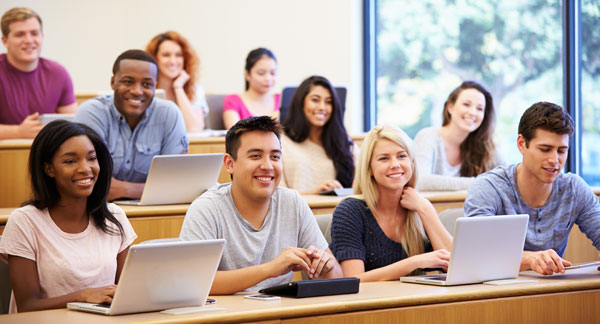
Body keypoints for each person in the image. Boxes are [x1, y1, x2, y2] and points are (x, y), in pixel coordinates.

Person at [179, 116, 342, 294]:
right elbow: (195, 282)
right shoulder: (206, 208)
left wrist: (328, 268)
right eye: (256, 156)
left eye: (275, 157)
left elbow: (337, 279)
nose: (267, 165)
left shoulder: (292, 202)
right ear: (229, 164)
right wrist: (270, 269)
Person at [0, 120, 137, 313]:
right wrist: (83, 296)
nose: (85, 168)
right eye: (70, 161)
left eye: (91, 158)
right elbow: (27, 305)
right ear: (49, 169)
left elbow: (127, 292)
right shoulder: (24, 221)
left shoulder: (114, 216)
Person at [465, 102, 600, 275]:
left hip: (548, 294)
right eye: (545, 149)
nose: (554, 160)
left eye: (561, 151)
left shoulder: (574, 188)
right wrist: (529, 259)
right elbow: (475, 254)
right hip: (497, 294)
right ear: (521, 144)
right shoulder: (488, 188)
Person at [330, 125, 453, 282]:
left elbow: (458, 266)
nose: (395, 164)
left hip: (411, 303)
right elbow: (353, 280)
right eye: (384, 158)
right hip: (368, 304)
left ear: (412, 163)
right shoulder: (349, 211)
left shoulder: (418, 209)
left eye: (402, 156)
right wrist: (415, 262)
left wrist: (426, 209)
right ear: (369, 169)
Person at [75, 49, 188, 201]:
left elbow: (178, 182)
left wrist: (123, 189)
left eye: (147, 84)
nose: (137, 91)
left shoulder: (169, 114)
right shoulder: (91, 112)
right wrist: (153, 188)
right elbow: (92, 183)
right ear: (113, 82)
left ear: (156, 86)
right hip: (97, 210)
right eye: (128, 82)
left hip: (153, 211)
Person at [0, 7, 76, 140]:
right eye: (20, 34)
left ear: (42, 36)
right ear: (5, 41)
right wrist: (17, 132)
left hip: (46, 155)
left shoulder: (58, 73)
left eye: (34, 33)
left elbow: (75, 123)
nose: (29, 40)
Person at [414, 81, 499, 191]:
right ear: (450, 107)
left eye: (480, 108)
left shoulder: (485, 145)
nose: (473, 112)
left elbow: (506, 179)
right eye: (466, 104)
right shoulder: (428, 137)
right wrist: (481, 182)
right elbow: (421, 181)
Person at [281, 75, 358, 194]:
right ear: (301, 103)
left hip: (335, 211)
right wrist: (315, 192)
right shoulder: (280, 142)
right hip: (296, 211)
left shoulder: (344, 143)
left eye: (328, 102)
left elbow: (363, 185)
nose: (322, 107)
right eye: (315, 100)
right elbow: (276, 195)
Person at [146, 31, 208, 132]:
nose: (173, 61)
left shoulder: (195, 89)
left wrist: (178, 87)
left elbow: (194, 128)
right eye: (166, 55)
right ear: (155, 58)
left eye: (178, 55)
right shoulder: (145, 89)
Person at [222, 48, 280, 129]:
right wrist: (271, 120)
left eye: (273, 73)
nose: (268, 78)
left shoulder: (282, 99)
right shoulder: (233, 101)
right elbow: (234, 135)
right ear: (247, 75)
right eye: (261, 73)